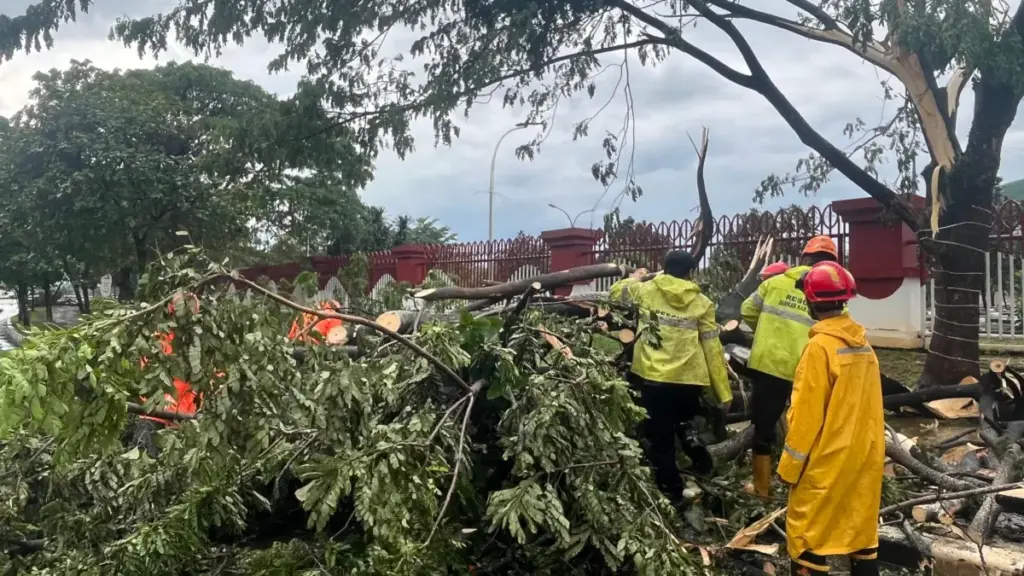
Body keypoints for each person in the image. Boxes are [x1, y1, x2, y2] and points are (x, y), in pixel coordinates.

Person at [780, 261, 883, 576]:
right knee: (861, 531)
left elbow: (806, 415)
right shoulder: (864, 345)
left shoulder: (819, 348)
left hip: (828, 456)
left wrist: (789, 467)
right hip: (866, 454)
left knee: (805, 533)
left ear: (811, 301)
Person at [609, 250, 732, 504]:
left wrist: (637, 277)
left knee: (661, 439)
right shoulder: (702, 303)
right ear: (690, 273)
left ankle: (673, 491)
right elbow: (712, 348)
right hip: (690, 380)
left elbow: (615, 292)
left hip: (655, 378)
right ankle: (689, 435)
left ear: (664, 268)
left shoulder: (647, 290)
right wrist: (724, 392)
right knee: (685, 416)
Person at [740, 235, 839, 497]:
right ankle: (805, 487)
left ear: (805, 258)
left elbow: (747, 311)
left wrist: (766, 334)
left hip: (769, 365)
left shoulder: (773, 283)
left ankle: (762, 489)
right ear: (833, 264)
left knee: (763, 428)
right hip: (809, 369)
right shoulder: (832, 290)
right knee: (809, 429)